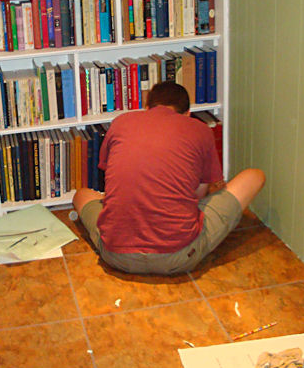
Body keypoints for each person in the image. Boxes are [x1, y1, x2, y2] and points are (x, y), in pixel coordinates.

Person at [72, 82, 265, 275]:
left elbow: (111, 176)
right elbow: (199, 193)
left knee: (81, 195)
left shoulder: (121, 122)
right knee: (255, 176)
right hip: (178, 257)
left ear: (148, 108)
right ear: (188, 113)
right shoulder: (201, 130)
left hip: (116, 256)